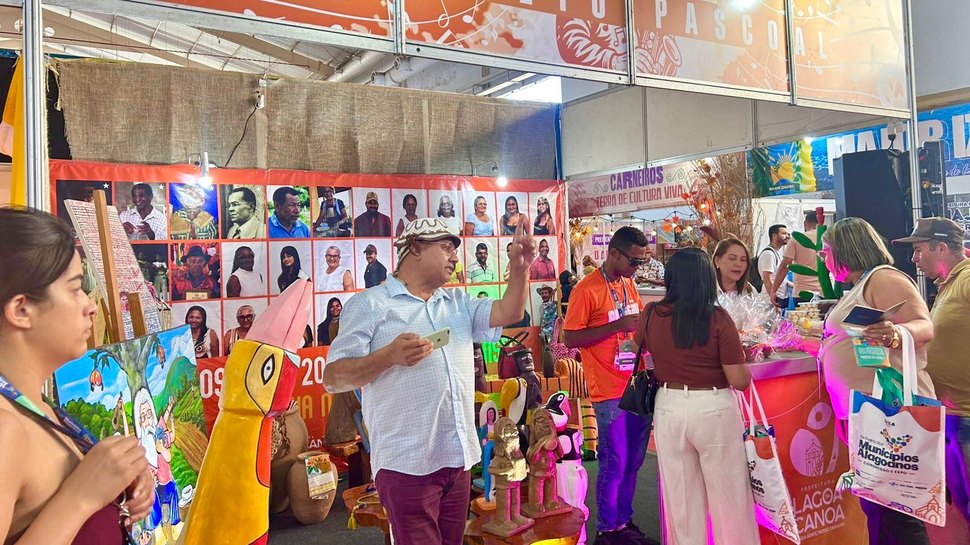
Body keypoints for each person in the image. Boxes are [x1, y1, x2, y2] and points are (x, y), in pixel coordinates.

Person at [322, 217, 536, 545]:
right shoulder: (370, 305)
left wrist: (520, 268)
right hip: (407, 465)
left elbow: (510, 311)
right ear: (416, 247)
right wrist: (388, 356)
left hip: (457, 459)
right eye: (447, 247)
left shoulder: (457, 303)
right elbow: (333, 377)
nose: (455, 257)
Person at [0, 206, 155, 545]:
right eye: (75, 289)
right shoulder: (5, 430)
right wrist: (82, 498)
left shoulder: (36, 405)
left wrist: (121, 474)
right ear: (21, 310)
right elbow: (78, 496)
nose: (90, 306)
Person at [818, 217, 936, 545]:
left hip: (887, 411)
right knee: (878, 505)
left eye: (826, 251)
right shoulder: (860, 284)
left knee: (896, 506)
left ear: (846, 249)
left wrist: (896, 333)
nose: (824, 258)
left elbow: (924, 325)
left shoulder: (883, 278)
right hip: (865, 412)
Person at [636, 247, 758, 545]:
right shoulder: (718, 319)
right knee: (730, 500)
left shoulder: (651, 314)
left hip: (668, 407)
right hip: (713, 408)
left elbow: (640, 345)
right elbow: (739, 381)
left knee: (682, 502)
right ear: (706, 279)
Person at [562, 226, 652, 545]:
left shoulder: (628, 284)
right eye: (633, 261)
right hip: (608, 391)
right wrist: (617, 326)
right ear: (613, 253)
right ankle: (606, 529)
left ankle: (623, 523)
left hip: (637, 385)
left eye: (641, 262)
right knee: (615, 463)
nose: (637, 267)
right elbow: (570, 338)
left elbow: (635, 327)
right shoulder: (586, 290)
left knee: (634, 463)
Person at [892, 217, 970, 522]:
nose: (914, 258)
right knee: (963, 503)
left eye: (918, 250)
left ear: (941, 248)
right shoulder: (949, 284)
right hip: (952, 414)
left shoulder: (966, 279)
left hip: (966, 416)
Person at [770, 210, 822, 303]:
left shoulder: (797, 239)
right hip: (825, 292)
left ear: (805, 223)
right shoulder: (828, 238)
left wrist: (774, 290)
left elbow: (785, 266)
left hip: (802, 292)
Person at [757, 224, 792, 306]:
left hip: (777, 300)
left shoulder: (775, 253)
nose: (787, 236)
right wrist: (774, 300)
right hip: (769, 302)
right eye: (784, 233)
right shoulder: (768, 254)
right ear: (774, 236)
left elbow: (778, 278)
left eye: (788, 234)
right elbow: (767, 279)